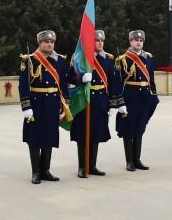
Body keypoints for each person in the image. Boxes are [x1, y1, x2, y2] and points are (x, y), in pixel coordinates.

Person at [19, 30, 75, 184]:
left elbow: (64, 84)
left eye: (52, 42)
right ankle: (36, 172)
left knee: (49, 137)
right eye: (46, 42)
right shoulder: (29, 60)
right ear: (40, 43)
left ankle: (46, 170)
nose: (50, 44)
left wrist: (66, 104)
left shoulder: (59, 61)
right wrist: (26, 106)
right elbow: (23, 86)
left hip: (52, 104)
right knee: (35, 138)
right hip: (36, 104)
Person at [70, 29, 116, 178]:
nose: (100, 42)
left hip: (101, 100)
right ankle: (82, 167)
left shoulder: (108, 59)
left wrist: (113, 104)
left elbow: (113, 82)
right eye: (97, 40)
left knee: (96, 133)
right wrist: (81, 78)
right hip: (84, 100)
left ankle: (92, 166)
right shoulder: (79, 58)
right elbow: (69, 77)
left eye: (102, 40)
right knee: (83, 134)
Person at [113, 30, 159, 170]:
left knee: (140, 128)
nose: (138, 42)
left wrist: (154, 97)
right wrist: (120, 102)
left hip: (145, 97)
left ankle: (137, 159)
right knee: (128, 129)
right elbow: (117, 83)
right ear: (130, 42)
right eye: (136, 40)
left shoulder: (148, 58)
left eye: (141, 40)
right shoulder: (122, 59)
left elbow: (151, 79)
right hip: (130, 97)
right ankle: (129, 161)